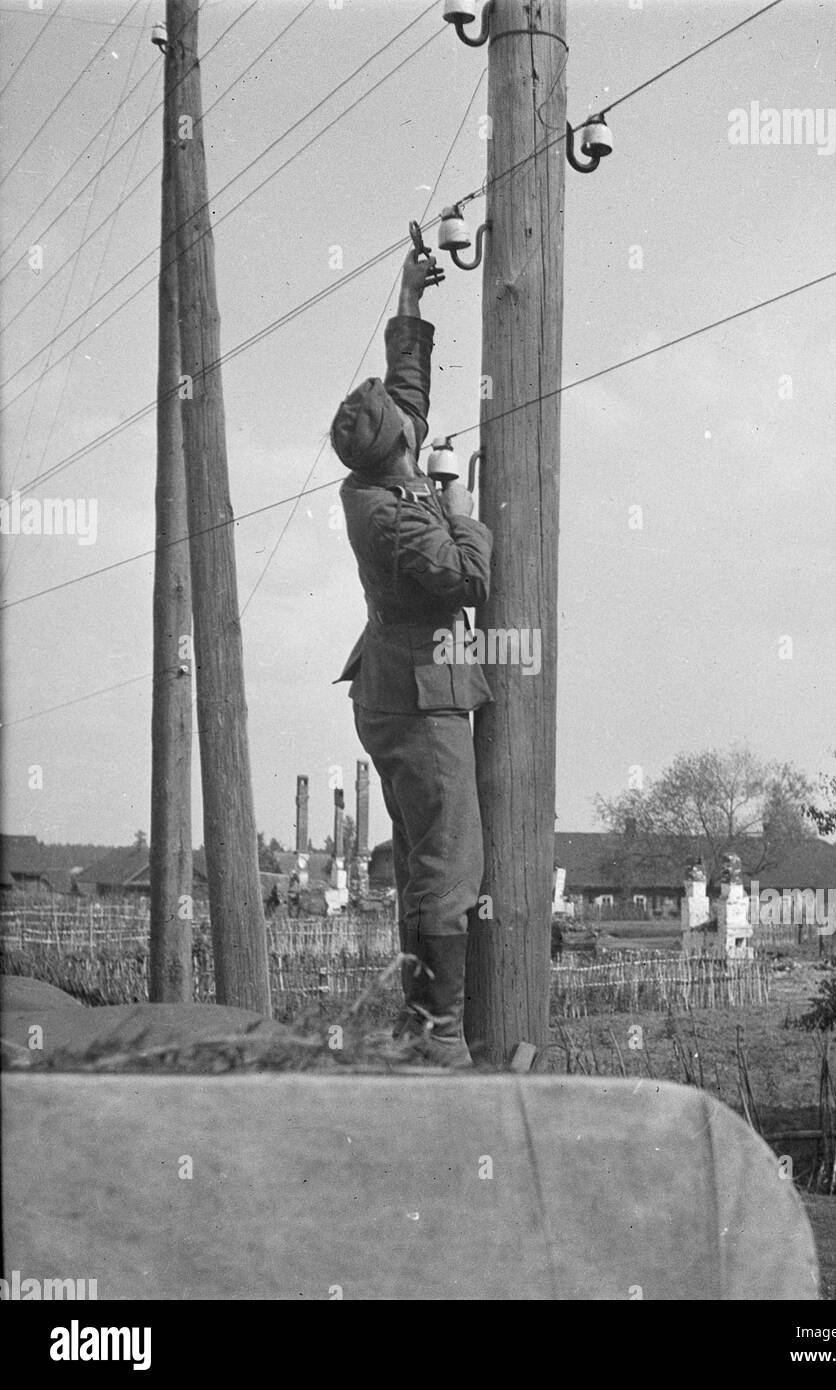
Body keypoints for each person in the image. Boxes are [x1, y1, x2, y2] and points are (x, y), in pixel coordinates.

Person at [331, 250, 493, 1067]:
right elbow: (466, 577)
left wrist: (408, 293)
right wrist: (461, 504)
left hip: (401, 690)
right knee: (449, 864)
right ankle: (439, 1037)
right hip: (415, 699)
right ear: (400, 453)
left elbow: (407, 386)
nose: (413, 421)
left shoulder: (382, 470)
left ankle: (419, 1025)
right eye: (409, 433)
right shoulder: (389, 520)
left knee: (427, 862)